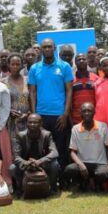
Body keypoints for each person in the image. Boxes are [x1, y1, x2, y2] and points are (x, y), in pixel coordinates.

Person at [28, 38, 74, 171]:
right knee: (42, 148)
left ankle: (60, 178)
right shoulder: (34, 68)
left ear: (54, 49)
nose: (47, 49)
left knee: (60, 147)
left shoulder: (64, 66)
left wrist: (65, 114)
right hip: (41, 115)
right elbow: (32, 92)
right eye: (44, 47)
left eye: (49, 47)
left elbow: (69, 91)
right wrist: (34, 114)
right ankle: (44, 176)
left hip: (59, 115)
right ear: (41, 50)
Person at [64, 103, 108, 190]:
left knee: (102, 174)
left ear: (94, 112)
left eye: (89, 111)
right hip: (83, 163)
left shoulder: (103, 126)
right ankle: (84, 182)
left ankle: (97, 184)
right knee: (69, 170)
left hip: (100, 163)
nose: (87, 113)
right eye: (84, 111)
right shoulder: (75, 129)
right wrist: (80, 164)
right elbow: (72, 152)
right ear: (80, 113)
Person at [10, 113, 60, 196]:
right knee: (12, 168)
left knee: (55, 164)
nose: (32, 124)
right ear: (26, 123)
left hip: (42, 165)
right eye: (30, 122)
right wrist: (26, 163)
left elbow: (54, 152)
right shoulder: (20, 135)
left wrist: (39, 161)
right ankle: (21, 188)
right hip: (26, 165)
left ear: (41, 124)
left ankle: (53, 188)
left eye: (35, 122)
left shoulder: (47, 135)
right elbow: (16, 156)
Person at [1, 53, 30, 137]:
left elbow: (33, 99)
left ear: (22, 65)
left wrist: (29, 113)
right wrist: (9, 111)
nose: (15, 66)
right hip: (11, 121)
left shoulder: (28, 80)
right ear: (8, 65)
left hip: (28, 120)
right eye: (13, 64)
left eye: (18, 64)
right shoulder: (2, 82)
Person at [71, 53, 99, 124]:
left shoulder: (96, 78)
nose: (81, 61)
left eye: (83, 59)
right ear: (75, 63)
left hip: (93, 118)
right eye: (79, 59)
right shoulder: (70, 79)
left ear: (87, 61)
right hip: (76, 119)